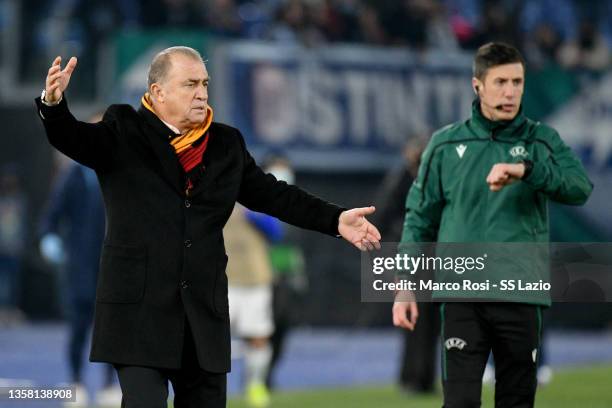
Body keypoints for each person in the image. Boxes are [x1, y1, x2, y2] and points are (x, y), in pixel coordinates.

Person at [35, 46, 381, 408]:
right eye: (189, 84)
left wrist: (335, 219)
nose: (201, 92)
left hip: (202, 316)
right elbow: (73, 138)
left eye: (204, 83)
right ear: (158, 92)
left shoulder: (225, 145)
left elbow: (273, 195)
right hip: (139, 314)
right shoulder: (123, 129)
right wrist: (54, 105)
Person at [392, 42, 593, 408]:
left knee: (516, 402)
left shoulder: (541, 141)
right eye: (500, 82)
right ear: (477, 85)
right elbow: (418, 218)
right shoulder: (444, 145)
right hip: (461, 295)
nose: (510, 92)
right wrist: (405, 284)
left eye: (517, 82)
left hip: (520, 292)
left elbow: (579, 187)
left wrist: (527, 171)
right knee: (459, 403)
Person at [39, 157, 121, 407]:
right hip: (79, 267)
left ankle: (109, 385)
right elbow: (51, 215)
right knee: (78, 327)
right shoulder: (74, 175)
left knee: (111, 328)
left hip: (113, 265)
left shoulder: (119, 171)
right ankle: (76, 382)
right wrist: (48, 238)